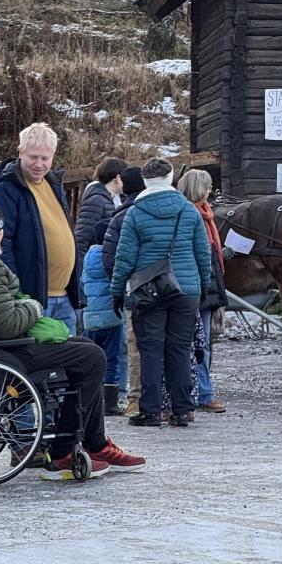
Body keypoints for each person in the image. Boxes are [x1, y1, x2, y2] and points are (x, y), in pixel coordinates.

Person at [0, 191, 145, 480]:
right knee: (91, 356)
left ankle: (94, 442)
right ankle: (70, 448)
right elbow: (6, 324)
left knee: (83, 346)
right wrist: (33, 306)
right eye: (0, 229)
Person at [109, 157, 210, 428]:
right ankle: (182, 410)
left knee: (151, 349)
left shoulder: (135, 213)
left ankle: (151, 411)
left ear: (144, 180)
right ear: (171, 177)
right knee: (180, 348)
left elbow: (125, 258)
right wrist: (204, 285)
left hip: (148, 291)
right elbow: (203, 253)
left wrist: (117, 291)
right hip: (186, 291)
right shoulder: (189, 211)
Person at [0, 122, 80, 332]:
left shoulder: (53, 184)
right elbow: (1, 244)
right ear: (21, 152)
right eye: (33, 157)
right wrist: (17, 292)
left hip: (64, 296)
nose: (39, 164)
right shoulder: (5, 189)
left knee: (72, 361)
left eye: (45, 158)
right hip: (33, 299)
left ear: (53, 156)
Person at [178, 168, 228, 415]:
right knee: (200, 343)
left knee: (203, 342)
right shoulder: (193, 215)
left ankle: (200, 391)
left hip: (207, 285)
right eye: (207, 187)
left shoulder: (206, 215)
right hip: (199, 288)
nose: (210, 191)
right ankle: (202, 392)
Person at [101, 165, 145, 414]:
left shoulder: (120, 216)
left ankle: (136, 400)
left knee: (134, 346)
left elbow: (110, 260)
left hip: (134, 289)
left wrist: (119, 288)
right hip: (170, 289)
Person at [82, 218, 125, 416]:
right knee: (112, 359)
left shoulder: (87, 258)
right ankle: (111, 402)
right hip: (111, 318)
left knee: (91, 360)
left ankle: (91, 397)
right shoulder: (111, 258)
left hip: (90, 319)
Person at [73, 157, 126, 269]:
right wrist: (80, 274)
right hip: (92, 268)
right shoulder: (96, 201)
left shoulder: (111, 200)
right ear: (117, 178)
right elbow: (81, 238)